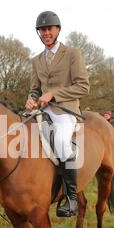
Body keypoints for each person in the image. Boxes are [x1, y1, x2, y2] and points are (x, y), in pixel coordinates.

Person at [26, 11, 89, 217]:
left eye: (49, 29)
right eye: (42, 30)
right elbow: (35, 90)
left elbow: (83, 86)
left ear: (58, 30)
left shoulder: (72, 54)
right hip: (43, 111)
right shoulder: (36, 60)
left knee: (61, 141)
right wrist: (31, 98)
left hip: (66, 110)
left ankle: (71, 198)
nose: (46, 33)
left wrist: (54, 94)